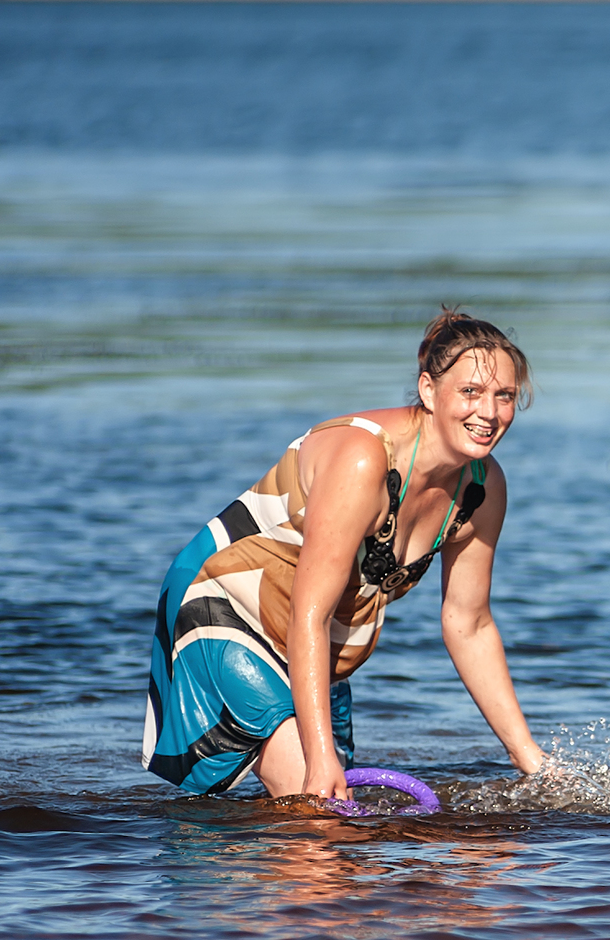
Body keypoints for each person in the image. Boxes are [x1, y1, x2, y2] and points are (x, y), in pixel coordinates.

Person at [143, 310, 545, 802]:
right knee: (319, 808)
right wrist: (319, 758)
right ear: (427, 391)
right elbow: (309, 613)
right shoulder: (364, 458)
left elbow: (469, 622)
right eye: (470, 392)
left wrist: (531, 759)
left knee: (336, 822)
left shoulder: (483, 488)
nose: (489, 412)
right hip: (224, 604)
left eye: (504, 396)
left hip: (312, 638)